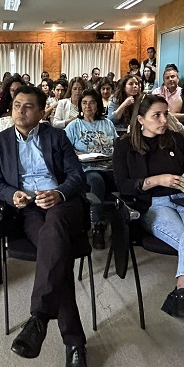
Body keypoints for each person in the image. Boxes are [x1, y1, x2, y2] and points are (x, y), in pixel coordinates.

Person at [0, 85, 90, 367]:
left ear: (42, 110)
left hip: (64, 206)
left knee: (56, 225)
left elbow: (77, 177)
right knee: (55, 249)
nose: (20, 110)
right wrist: (12, 194)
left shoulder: (56, 137)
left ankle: (39, 317)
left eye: (28, 106)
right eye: (17, 105)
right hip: (29, 211)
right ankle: (74, 345)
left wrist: (57, 193)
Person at [112, 94, 184, 356]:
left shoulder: (173, 138)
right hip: (153, 205)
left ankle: (180, 294)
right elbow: (123, 185)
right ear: (140, 120)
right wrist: (156, 179)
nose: (164, 120)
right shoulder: (125, 145)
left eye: (166, 114)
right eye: (157, 116)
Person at [65, 88, 117, 248]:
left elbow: (117, 145)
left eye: (92, 102)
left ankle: (126, 226)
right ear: (80, 105)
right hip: (87, 170)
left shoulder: (107, 124)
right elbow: (63, 149)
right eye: (84, 103)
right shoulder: (74, 126)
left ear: (98, 105)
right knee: (96, 180)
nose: (88, 106)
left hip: (109, 166)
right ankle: (98, 226)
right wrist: (75, 152)